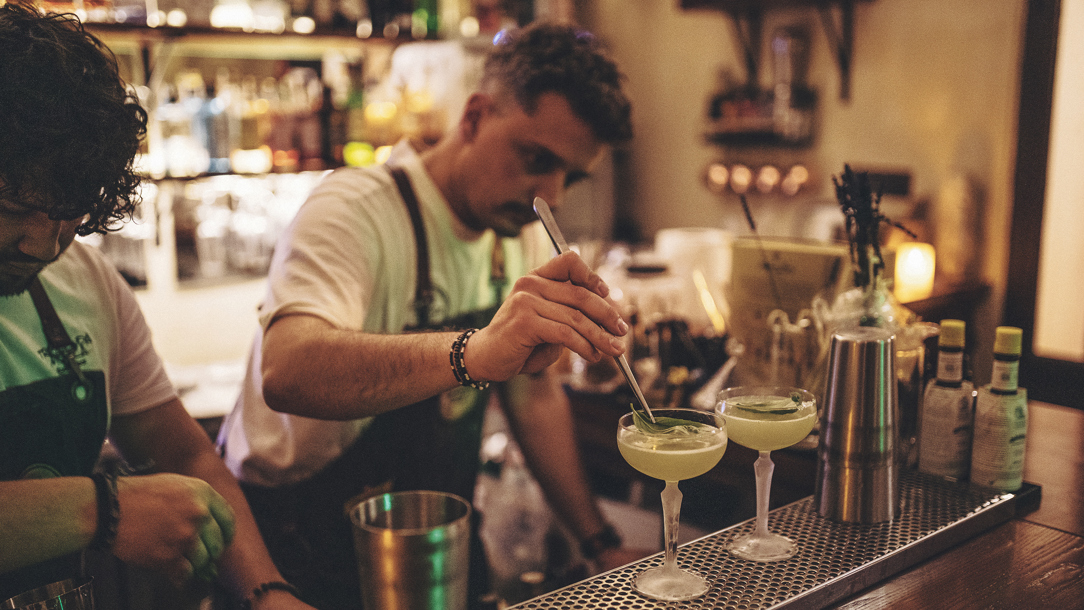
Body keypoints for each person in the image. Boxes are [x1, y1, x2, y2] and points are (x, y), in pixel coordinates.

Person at [217, 21, 642, 609]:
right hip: (299, 547)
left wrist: (599, 542)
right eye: (536, 157)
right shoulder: (355, 210)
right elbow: (288, 372)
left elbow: (533, 396)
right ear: (473, 117)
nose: (553, 193)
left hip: (430, 541)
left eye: (570, 174)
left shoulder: (510, 229)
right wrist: (473, 352)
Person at [0, 4, 316, 609]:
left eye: (67, 212)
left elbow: (184, 451)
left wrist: (267, 594)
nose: (40, 243)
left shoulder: (85, 281)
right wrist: (102, 509)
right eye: (14, 209)